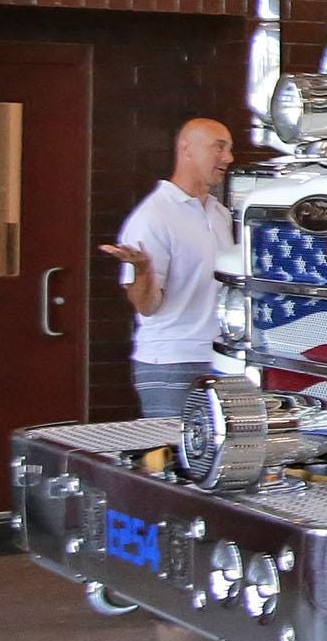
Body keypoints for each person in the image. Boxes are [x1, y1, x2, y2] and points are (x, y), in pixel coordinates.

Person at [100, 118, 235, 426]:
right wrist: (143, 271)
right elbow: (146, 306)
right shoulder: (153, 216)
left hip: (218, 358)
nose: (227, 158)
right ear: (186, 149)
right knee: (176, 460)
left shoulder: (219, 214)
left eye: (229, 149)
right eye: (218, 147)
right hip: (171, 362)